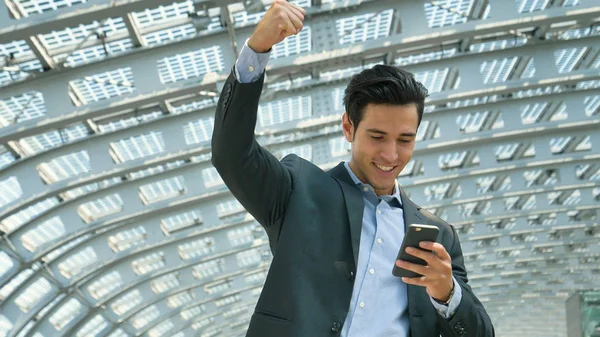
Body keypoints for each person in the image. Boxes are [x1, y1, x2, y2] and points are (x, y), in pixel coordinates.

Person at [211, 1, 494, 336]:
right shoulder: (298, 193)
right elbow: (231, 153)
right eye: (377, 136)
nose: (391, 154)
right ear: (348, 127)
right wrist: (257, 50)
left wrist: (447, 294)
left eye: (405, 139)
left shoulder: (438, 236)